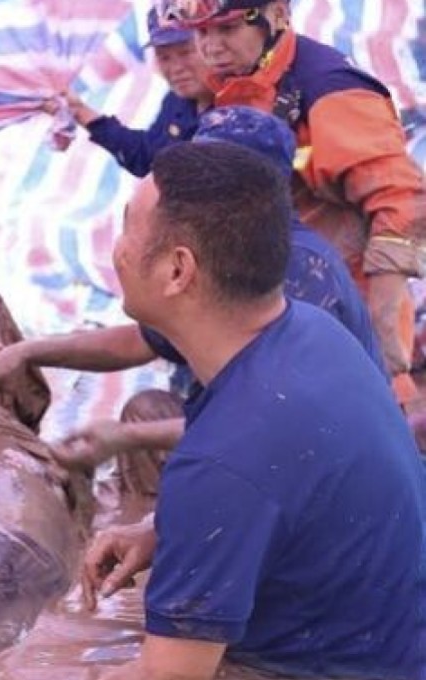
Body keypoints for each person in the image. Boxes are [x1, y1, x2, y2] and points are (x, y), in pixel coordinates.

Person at [90, 141, 424, 679]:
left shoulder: (222, 461)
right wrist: (158, 530)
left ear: (178, 270)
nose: (119, 248)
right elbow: (289, 487)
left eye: (128, 227)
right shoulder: (311, 332)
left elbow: (168, 677)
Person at [0, 106, 386, 496]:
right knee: (147, 410)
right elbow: (142, 341)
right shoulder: (230, 248)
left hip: (320, 466)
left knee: (164, 440)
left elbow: (272, 423)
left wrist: (126, 439)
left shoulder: (292, 273)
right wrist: (27, 352)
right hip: (270, 427)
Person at [159, 0, 426, 413]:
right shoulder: (234, 81)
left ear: (277, 16)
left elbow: (402, 202)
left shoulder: (330, 89)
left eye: (226, 29)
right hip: (273, 295)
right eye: (202, 33)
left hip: (340, 306)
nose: (210, 47)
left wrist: (384, 335)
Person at [60, 8, 213, 177]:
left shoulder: (239, 103)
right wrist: (81, 112)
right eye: (164, 57)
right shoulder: (177, 100)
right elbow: (147, 158)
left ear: (211, 43)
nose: (176, 68)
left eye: (186, 53)